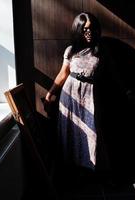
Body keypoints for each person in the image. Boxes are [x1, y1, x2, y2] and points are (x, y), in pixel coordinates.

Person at [44, 12, 102, 176]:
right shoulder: (71, 50)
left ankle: (90, 169)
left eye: (91, 29)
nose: (88, 33)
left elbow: (112, 75)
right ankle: (71, 171)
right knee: (70, 131)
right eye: (84, 29)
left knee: (91, 133)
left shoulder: (100, 51)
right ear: (78, 30)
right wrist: (50, 94)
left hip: (90, 96)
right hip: (70, 95)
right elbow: (63, 74)